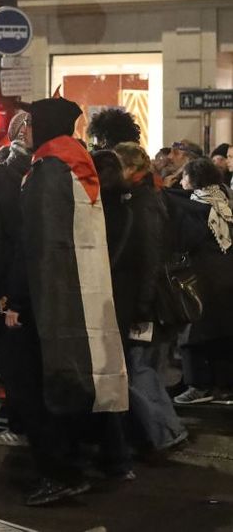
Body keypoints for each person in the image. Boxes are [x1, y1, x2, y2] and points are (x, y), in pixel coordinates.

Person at [6, 97, 130, 506]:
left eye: (30, 122)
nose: (25, 129)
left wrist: (19, 301)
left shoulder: (49, 170)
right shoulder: (76, 162)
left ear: (44, 125)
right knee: (66, 384)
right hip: (74, 297)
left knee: (35, 391)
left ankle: (60, 473)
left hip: (46, 304)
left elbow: (39, 246)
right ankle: (75, 463)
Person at [112, 142, 187, 452]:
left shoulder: (143, 203)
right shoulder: (148, 196)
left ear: (132, 169)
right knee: (143, 367)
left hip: (147, 304)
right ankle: (156, 431)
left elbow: (149, 257)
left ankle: (167, 431)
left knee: (138, 368)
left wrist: (141, 305)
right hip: (149, 300)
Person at [166, 158, 233, 405]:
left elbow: (186, 240)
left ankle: (198, 385)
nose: (181, 181)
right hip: (227, 277)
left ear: (193, 181)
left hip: (203, 278)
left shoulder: (194, 207)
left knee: (192, 334)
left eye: (184, 177)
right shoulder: (224, 201)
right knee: (223, 333)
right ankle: (224, 386)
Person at [0, 111, 33, 446]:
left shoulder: (36, 170)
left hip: (22, 277)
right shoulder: (4, 175)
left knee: (21, 358)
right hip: (18, 277)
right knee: (17, 357)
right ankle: (20, 422)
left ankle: (22, 425)